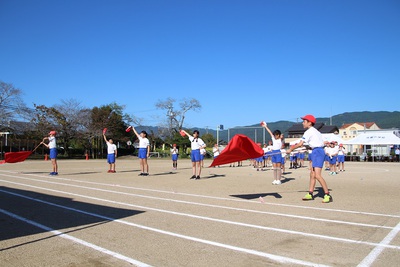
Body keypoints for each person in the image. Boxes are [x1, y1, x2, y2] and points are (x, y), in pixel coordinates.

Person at [286, 114, 333, 203]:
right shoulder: (316, 132)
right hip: (316, 151)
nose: (303, 123)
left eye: (304, 121)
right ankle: (310, 193)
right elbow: (318, 143)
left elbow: (300, 144)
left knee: (317, 175)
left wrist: (291, 149)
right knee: (312, 174)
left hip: (318, 152)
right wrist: (309, 147)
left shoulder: (308, 132)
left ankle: (327, 194)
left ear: (309, 123)